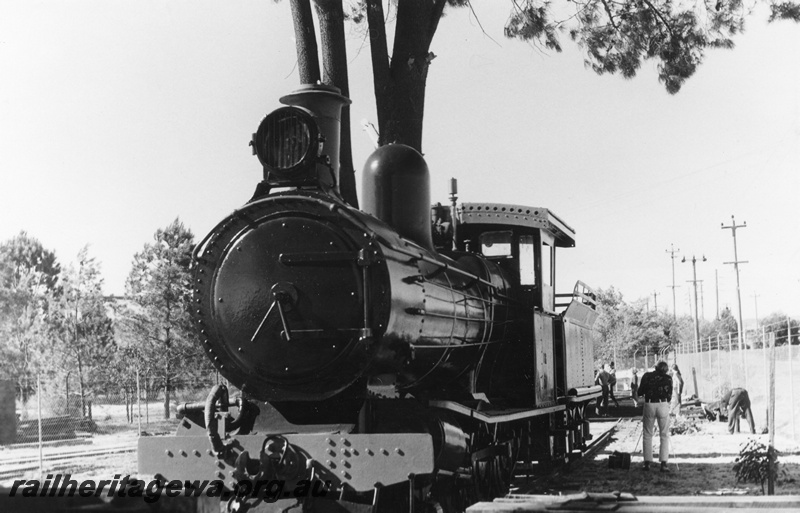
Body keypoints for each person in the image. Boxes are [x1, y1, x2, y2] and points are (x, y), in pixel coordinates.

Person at [634, 361, 673, 472]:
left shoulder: (647, 376)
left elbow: (640, 392)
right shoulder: (668, 378)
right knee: (664, 434)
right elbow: (669, 396)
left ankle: (647, 463)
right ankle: (664, 463)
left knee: (647, 433)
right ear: (665, 370)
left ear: (655, 368)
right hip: (663, 404)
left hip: (650, 404)